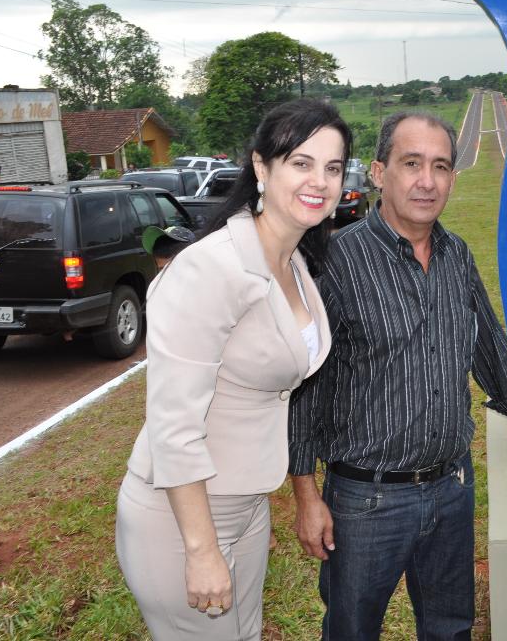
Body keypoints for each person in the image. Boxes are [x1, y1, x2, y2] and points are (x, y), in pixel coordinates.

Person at [288, 111, 507, 640]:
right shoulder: (338, 261)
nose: (426, 181)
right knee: (350, 629)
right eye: (411, 163)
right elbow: (304, 384)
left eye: (440, 166)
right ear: (380, 172)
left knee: (451, 628)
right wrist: (305, 494)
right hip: (368, 501)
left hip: (452, 489)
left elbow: (491, 348)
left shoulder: (457, 255)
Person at [115, 98, 350, 640]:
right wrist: (201, 551)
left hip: (245, 506)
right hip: (182, 520)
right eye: (301, 162)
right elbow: (174, 426)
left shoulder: (292, 261)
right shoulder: (211, 267)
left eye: (333, 167)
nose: (320, 180)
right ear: (261, 168)